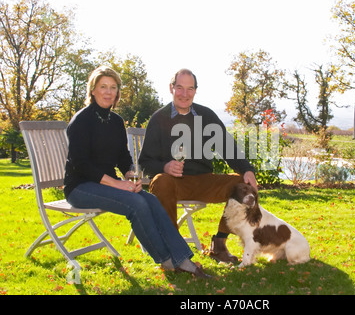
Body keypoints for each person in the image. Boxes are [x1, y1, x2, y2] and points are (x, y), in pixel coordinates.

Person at [63, 66, 211, 278]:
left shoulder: (115, 121)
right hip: (80, 187)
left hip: (103, 184)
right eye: (103, 86)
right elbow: (81, 165)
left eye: (113, 87)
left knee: (150, 200)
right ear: (93, 90)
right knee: (136, 203)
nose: (108, 92)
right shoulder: (81, 120)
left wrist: (130, 175)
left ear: (117, 92)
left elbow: (123, 157)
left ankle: (183, 258)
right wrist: (116, 184)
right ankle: (168, 260)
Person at [139, 68, 258, 264]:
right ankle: (174, 251)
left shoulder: (206, 116)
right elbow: (145, 163)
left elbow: (227, 147)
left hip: (204, 181)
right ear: (171, 88)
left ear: (195, 90)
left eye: (190, 88)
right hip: (172, 183)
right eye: (179, 88)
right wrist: (165, 166)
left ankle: (219, 244)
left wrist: (247, 169)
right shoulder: (158, 119)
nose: (184, 94)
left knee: (243, 187)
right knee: (161, 182)